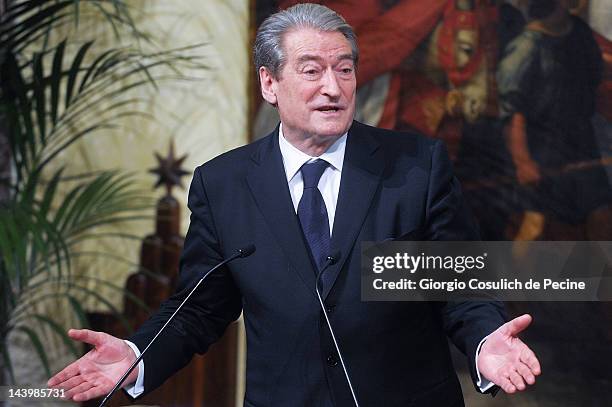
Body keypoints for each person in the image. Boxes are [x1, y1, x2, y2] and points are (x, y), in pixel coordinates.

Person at [48, 4, 540, 406]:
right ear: (270, 84)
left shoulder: (416, 165)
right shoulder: (223, 184)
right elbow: (200, 306)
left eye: (344, 69)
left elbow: (461, 285)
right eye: (312, 70)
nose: (334, 87)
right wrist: (139, 353)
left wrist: (484, 341)